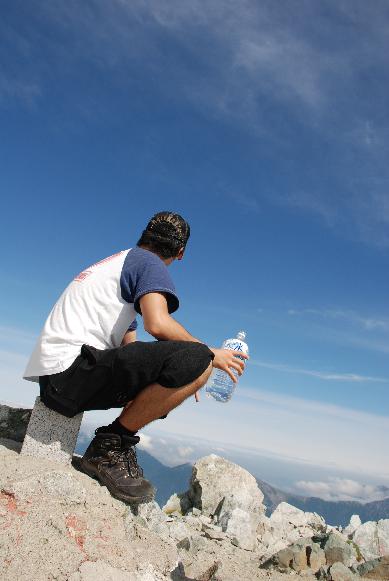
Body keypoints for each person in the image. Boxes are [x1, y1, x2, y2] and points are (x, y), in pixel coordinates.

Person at [23, 211, 247, 504]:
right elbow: (158, 324)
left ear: (145, 235)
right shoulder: (148, 263)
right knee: (196, 357)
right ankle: (109, 447)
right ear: (181, 253)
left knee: (191, 363)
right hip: (70, 373)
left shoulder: (118, 266)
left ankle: (113, 444)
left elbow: (131, 351)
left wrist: (180, 379)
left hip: (57, 377)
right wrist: (206, 357)